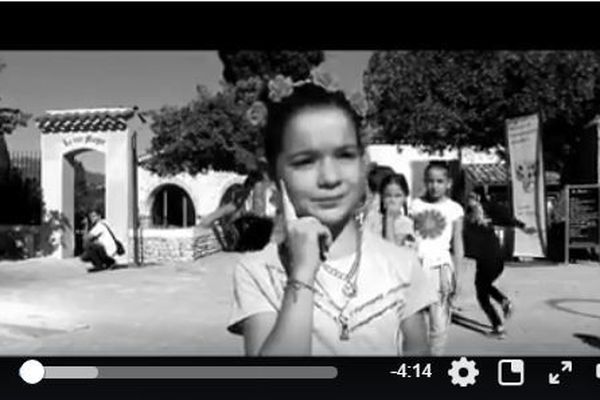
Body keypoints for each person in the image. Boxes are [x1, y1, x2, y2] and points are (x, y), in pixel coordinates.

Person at [227, 73, 437, 356]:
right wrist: (301, 274)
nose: (329, 178)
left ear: (364, 163)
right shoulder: (259, 272)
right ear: (273, 174)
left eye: (345, 155)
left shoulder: (403, 265)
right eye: (305, 161)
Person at [463, 189, 536, 338]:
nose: (469, 200)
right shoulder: (472, 214)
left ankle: (498, 327)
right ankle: (504, 302)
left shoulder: (485, 211)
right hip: (493, 260)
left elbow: (507, 218)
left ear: (478, 198)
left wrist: (523, 227)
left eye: (471, 197)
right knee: (484, 287)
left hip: (489, 260)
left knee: (482, 294)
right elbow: (506, 218)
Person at [409, 161, 465, 355]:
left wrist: (458, 275)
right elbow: (408, 237)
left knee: (439, 323)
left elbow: (457, 242)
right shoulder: (415, 205)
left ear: (448, 183)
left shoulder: (455, 209)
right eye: (430, 181)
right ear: (425, 182)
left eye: (440, 181)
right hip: (416, 268)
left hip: (441, 270)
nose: (435, 186)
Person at [379, 173, 415, 247]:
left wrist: (389, 219)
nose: (392, 200)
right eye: (388, 196)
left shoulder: (406, 224)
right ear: (382, 197)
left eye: (397, 196)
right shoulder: (375, 220)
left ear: (405, 197)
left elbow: (392, 251)